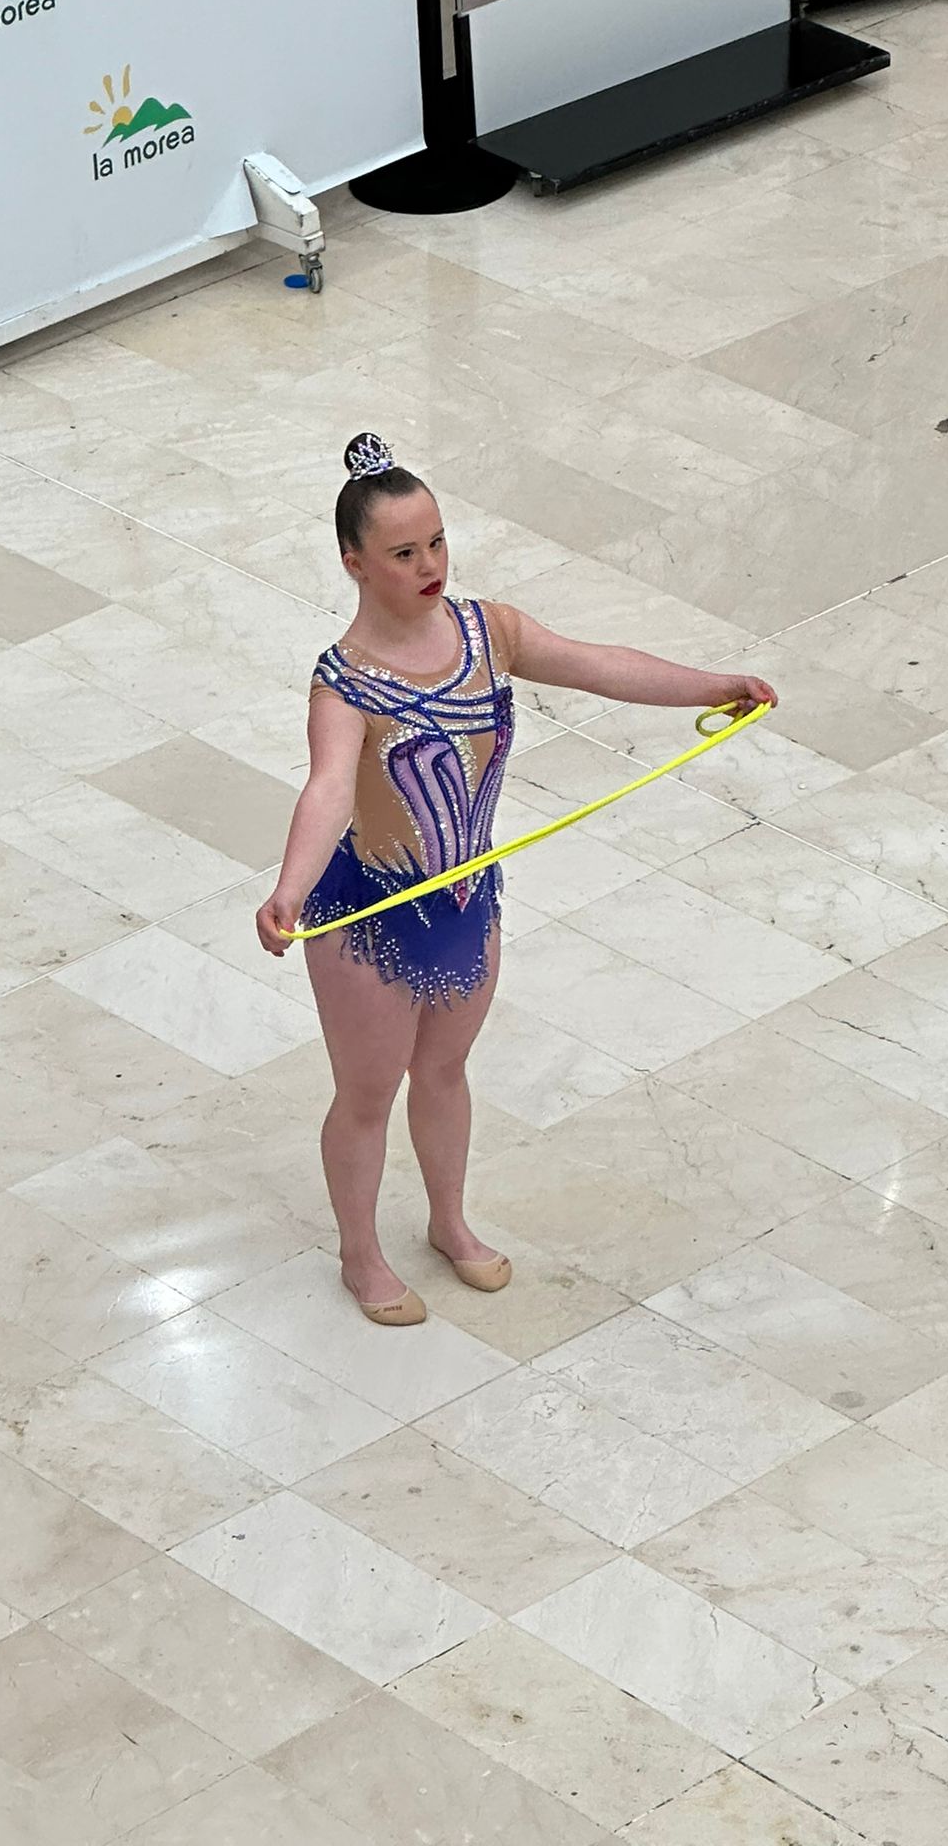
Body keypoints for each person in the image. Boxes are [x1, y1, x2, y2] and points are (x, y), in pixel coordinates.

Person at [255, 433, 778, 1326]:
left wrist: (714, 684)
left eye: (438, 542)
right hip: (368, 915)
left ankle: (450, 1222)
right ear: (354, 563)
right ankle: (359, 1251)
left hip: (468, 897)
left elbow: (599, 665)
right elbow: (330, 786)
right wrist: (290, 889)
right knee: (369, 1092)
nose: (429, 566)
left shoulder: (486, 632)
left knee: (447, 1070)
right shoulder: (344, 683)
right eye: (404, 553)